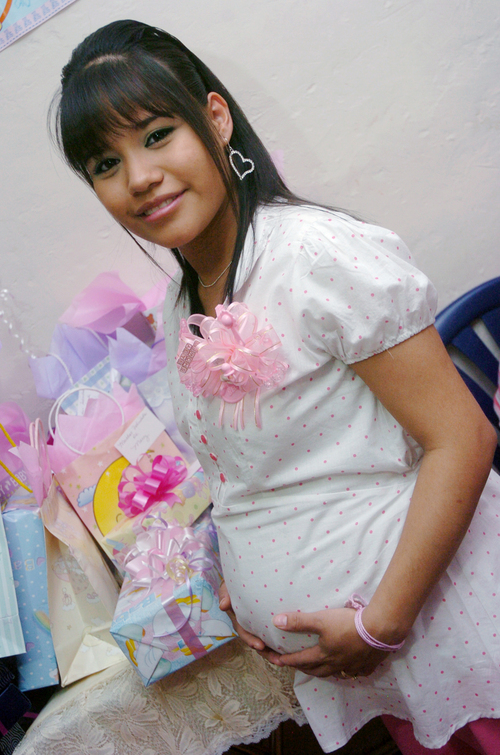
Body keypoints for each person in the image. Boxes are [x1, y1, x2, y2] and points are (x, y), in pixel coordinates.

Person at [53, 19, 500, 754]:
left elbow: (462, 438)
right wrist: (241, 564)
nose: (138, 177)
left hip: (448, 632)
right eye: (106, 162)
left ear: (215, 118)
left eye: (158, 135)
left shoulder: (314, 255)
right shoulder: (182, 301)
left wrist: (381, 623)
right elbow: (253, 474)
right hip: (378, 670)